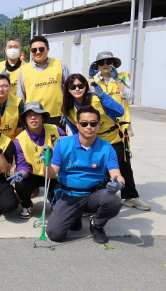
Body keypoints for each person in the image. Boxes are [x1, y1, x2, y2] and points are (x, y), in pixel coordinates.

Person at [46, 105, 125, 244]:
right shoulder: (62, 144)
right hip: (69, 195)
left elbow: (116, 174)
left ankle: (97, 225)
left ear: (99, 125)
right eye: (84, 123)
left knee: (113, 201)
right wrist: (46, 163)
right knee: (55, 234)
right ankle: (74, 217)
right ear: (77, 124)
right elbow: (50, 174)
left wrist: (118, 184)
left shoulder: (107, 147)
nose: (89, 127)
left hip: (93, 195)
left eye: (93, 123)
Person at [89, 52, 149, 211]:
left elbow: (129, 96)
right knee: (98, 164)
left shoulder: (122, 77)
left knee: (123, 163)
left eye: (109, 61)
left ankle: (130, 197)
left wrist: (116, 80)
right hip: (98, 130)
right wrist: (89, 81)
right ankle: (96, 197)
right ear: (97, 65)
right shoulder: (93, 81)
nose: (105, 64)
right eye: (102, 62)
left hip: (119, 130)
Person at [8, 102, 66, 219]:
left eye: (37, 114)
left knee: (63, 190)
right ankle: (27, 204)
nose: (33, 118)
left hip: (53, 174)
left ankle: (54, 198)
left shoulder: (56, 129)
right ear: (25, 119)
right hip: (33, 174)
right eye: (29, 115)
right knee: (20, 184)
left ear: (43, 117)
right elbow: (23, 165)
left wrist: (64, 145)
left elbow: (69, 152)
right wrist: (21, 173)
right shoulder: (19, 140)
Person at [17, 35, 70, 130]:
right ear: (30, 51)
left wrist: (67, 111)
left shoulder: (59, 64)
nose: (37, 52)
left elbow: (70, 89)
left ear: (48, 49)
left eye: (41, 49)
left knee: (57, 144)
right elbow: (20, 96)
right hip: (33, 118)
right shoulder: (24, 69)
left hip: (57, 116)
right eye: (34, 50)